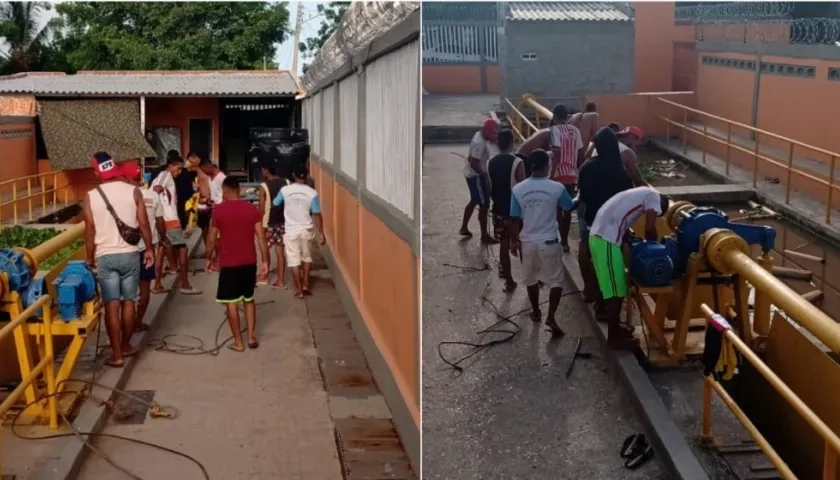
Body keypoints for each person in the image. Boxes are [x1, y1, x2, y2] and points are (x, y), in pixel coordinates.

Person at [83, 153, 154, 368]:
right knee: (129, 301)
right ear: (114, 167)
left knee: (111, 305)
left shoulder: (91, 196)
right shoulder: (133, 191)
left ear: (97, 172)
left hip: (105, 257)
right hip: (130, 254)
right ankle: (126, 345)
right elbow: (143, 224)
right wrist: (149, 249)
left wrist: (89, 257)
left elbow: (89, 230)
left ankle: (116, 355)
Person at [588, 186, 669, 350]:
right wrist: (654, 249)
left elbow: (621, 218)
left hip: (598, 235)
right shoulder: (653, 196)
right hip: (607, 239)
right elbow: (650, 228)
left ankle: (607, 316)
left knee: (608, 283)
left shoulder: (637, 193)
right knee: (616, 290)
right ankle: (613, 338)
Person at [508, 149, 576, 337]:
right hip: (549, 241)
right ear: (547, 166)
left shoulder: (518, 189)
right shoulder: (557, 187)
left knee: (530, 279)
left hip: (527, 241)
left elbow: (513, 219)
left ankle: (536, 311)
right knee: (556, 280)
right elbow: (569, 206)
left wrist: (514, 241)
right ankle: (551, 316)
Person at [206, 176, 269, 352]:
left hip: (229, 263)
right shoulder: (251, 210)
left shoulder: (218, 211)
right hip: (249, 261)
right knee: (248, 299)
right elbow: (261, 237)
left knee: (231, 302)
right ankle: (251, 336)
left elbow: (211, 239)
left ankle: (238, 342)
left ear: (224, 192)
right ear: (239, 190)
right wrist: (265, 260)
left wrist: (209, 258)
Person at [577, 128, 635, 306]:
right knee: (608, 263)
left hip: (590, 218)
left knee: (586, 252)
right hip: (612, 225)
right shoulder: (620, 171)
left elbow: (582, 194)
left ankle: (589, 290)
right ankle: (604, 302)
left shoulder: (587, 166)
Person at [272, 163, 326, 299]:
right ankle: (306, 283)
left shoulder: (285, 190)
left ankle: (299, 290)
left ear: (293, 175)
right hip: (306, 230)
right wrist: (321, 233)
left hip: (291, 230)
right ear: (306, 176)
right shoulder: (312, 193)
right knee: (307, 258)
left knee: (294, 261)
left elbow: (276, 203)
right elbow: (317, 214)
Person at [151, 153, 201, 295]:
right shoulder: (165, 175)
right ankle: (185, 284)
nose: (179, 172)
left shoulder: (163, 176)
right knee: (183, 248)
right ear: (170, 165)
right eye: (178, 168)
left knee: (161, 250)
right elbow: (156, 189)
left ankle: (157, 284)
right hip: (169, 219)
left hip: (161, 219)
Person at [125, 163, 167, 333]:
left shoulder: (122, 196)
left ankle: (124, 325)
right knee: (144, 289)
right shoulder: (153, 195)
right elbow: (160, 221)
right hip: (146, 249)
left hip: (125, 249)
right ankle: (137, 321)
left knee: (125, 292)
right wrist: (163, 238)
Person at [487, 129, 524, 292]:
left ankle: (509, 281)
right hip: (515, 212)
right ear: (511, 143)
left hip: (498, 210)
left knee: (504, 246)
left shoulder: (490, 162)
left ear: (497, 144)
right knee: (522, 243)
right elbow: (522, 187)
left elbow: (490, 186)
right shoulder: (517, 162)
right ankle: (531, 279)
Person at [548, 104, 585, 252]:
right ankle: (565, 241)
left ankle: (562, 238)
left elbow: (556, 151)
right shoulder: (575, 130)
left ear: (554, 116)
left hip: (558, 174)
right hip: (571, 174)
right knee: (568, 208)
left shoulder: (554, 129)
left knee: (557, 208)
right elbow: (581, 153)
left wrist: (551, 174)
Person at [459, 118, 498, 244]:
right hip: (475, 176)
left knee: (475, 200)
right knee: (484, 204)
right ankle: (484, 235)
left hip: (471, 173)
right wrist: (484, 175)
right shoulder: (479, 143)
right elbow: (473, 162)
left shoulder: (479, 134)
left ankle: (464, 227)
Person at [257, 159, 290, 288]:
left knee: (264, 249)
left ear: (266, 170)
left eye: (262, 170)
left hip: (268, 222)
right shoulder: (286, 182)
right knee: (280, 251)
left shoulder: (263, 186)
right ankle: (281, 280)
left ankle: (264, 276)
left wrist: (259, 222)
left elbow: (261, 209)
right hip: (283, 221)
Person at [198, 157, 227, 271]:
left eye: (204, 170)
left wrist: (220, 205)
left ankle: (219, 259)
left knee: (217, 237)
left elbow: (226, 194)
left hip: (221, 210)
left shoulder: (222, 178)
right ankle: (217, 257)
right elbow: (215, 194)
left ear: (209, 166)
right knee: (215, 237)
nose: (204, 173)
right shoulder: (210, 178)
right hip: (215, 209)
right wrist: (209, 200)